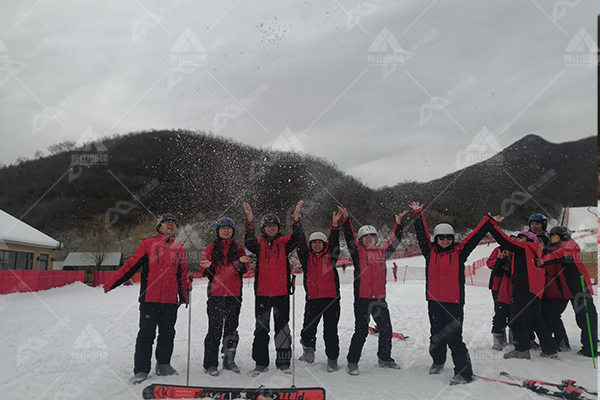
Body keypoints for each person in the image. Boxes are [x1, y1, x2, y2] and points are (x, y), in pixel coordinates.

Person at [410, 202, 493, 386]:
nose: (446, 240)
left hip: (454, 303)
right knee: (436, 335)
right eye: (442, 237)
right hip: (434, 301)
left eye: (449, 237)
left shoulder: (460, 252)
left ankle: (464, 373)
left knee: (455, 338)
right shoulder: (429, 252)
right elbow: (421, 235)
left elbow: (474, 236)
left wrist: (488, 221)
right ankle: (438, 361)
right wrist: (418, 213)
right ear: (436, 238)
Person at [104, 213, 189, 384]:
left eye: (173, 223)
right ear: (159, 227)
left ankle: (163, 364)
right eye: (166, 223)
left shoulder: (179, 249)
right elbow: (130, 265)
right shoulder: (147, 244)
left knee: (167, 334)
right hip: (150, 299)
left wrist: (184, 296)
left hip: (170, 301)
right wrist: (111, 283)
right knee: (146, 335)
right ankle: (141, 369)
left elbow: (182, 275)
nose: (170, 225)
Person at [341, 206, 408, 376]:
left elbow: (394, 240)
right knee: (361, 331)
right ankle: (352, 361)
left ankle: (384, 358)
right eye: (365, 237)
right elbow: (349, 235)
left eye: (372, 236)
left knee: (386, 329)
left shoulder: (382, 252)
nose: (369, 239)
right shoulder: (357, 252)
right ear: (361, 240)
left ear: (376, 239)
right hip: (362, 300)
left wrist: (398, 224)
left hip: (379, 299)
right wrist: (346, 220)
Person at [243, 201, 304, 376]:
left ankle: (283, 362)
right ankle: (261, 363)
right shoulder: (258, 244)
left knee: (282, 329)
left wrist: (296, 218)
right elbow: (248, 240)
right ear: (263, 228)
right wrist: (249, 220)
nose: (271, 228)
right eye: (268, 226)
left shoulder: (284, 243)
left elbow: (297, 237)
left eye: (274, 226)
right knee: (261, 329)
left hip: (281, 294)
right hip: (262, 294)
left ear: (278, 227)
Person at [487, 215, 558, 360]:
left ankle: (521, 350)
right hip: (535, 291)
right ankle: (550, 350)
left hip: (522, 288)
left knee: (516, 320)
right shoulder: (536, 251)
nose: (517, 240)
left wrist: (490, 224)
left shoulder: (524, 247)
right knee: (536, 320)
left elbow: (504, 241)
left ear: (529, 240)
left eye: (520, 237)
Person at [200, 217, 250, 376]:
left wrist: (242, 263)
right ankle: (210, 364)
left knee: (231, 329)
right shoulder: (210, 248)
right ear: (218, 231)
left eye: (229, 228)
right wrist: (208, 266)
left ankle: (229, 361)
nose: (226, 230)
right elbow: (206, 271)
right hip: (215, 295)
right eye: (223, 228)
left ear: (233, 231)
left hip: (234, 295)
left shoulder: (239, 248)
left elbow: (244, 270)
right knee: (214, 330)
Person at [296, 210, 343, 372]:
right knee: (308, 328)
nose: (317, 244)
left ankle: (332, 359)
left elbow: (335, 242)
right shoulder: (306, 257)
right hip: (313, 300)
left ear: (324, 244)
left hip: (331, 299)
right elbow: (300, 242)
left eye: (320, 242)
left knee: (330, 331)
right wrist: (297, 223)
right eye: (314, 242)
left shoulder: (331, 256)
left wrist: (334, 226)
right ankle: (308, 352)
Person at [542, 226, 597, 357]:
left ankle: (590, 349)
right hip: (573, 289)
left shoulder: (569, 245)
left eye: (555, 235)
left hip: (580, 287)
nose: (552, 237)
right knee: (585, 317)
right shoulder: (558, 248)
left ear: (563, 236)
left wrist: (543, 260)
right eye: (552, 235)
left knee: (585, 318)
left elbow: (560, 254)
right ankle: (590, 345)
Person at [538, 230, 571, 352]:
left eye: (541, 242)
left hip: (560, 293)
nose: (539, 244)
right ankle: (554, 341)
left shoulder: (552, 254)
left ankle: (562, 342)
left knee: (553, 317)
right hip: (548, 293)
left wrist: (541, 254)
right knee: (546, 316)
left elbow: (551, 271)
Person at [490, 245, 514, 351]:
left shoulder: (519, 256)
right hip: (499, 289)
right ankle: (499, 339)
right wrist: (500, 259)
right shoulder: (499, 250)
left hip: (515, 290)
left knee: (515, 315)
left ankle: (514, 338)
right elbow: (491, 265)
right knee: (500, 315)